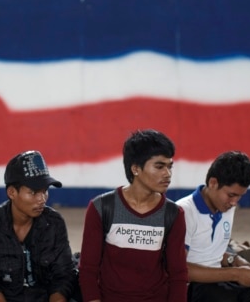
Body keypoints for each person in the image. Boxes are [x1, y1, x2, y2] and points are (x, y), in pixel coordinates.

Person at [78, 129, 188, 302]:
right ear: (136, 168)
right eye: (159, 166)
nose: (167, 174)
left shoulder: (173, 214)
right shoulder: (101, 207)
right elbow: (88, 269)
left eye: (169, 166)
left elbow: (178, 274)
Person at [0, 150, 76, 302]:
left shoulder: (54, 223)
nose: (42, 199)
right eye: (33, 192)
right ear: (12, 192)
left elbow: (63, 274)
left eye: (45, 191)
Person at [176, 150, 250, 302]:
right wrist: (236, 273)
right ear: (213, 183)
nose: (234, 202)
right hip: (194, 287)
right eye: (231, 195)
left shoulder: (225, 207)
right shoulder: (184, 212)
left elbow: (207, 250)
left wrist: (236, 261)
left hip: (219, 280)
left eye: (239, 196)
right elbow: (179, 269)